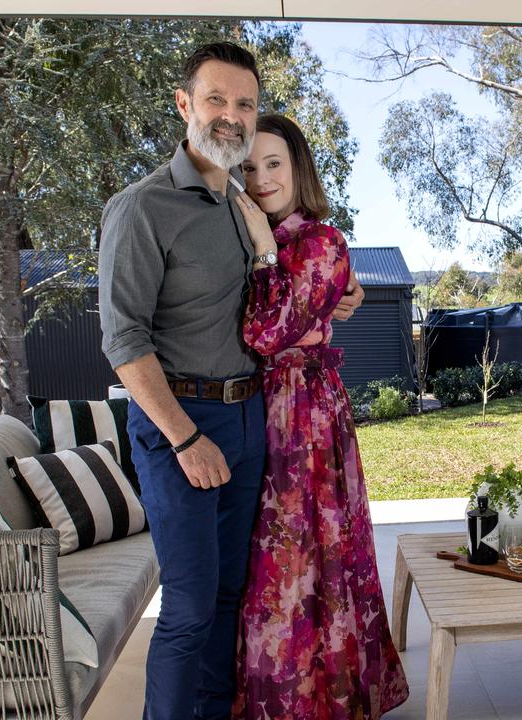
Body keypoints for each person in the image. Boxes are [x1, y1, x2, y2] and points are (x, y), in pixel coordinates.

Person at [98, 43, 363, 720]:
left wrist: (341, 290)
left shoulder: (243, 208)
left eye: (244, 103)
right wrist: (185, 438)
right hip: (181, 423)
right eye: (216, 99)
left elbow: (295, 279)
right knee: (188, 606)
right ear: (186, 105)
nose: (231, 115)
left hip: (251, 421)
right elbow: (123, 340)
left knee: (230, 595)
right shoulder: (141, 208)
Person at [231, 114, 409, 719]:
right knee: (273, 567)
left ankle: (323, 702)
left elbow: (265, 330)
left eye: (273, 163)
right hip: (261, 411)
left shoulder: (321, 241)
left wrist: (260, 249)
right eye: (249, 167)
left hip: (306, 415)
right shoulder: (253, 236)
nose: (261, 178)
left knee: (314, 555)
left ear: (299, 167)